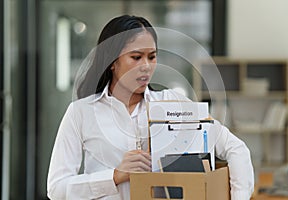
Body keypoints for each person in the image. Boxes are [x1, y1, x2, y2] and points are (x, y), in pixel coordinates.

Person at [47, 15, 254, 200]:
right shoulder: (81, 113)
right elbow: (57, 189)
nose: (146, 65)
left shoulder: (173, 104)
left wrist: (239, 196)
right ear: (111, 61)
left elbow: (236, 149)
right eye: (136, 57)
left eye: (152, 57)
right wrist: (115, 176)